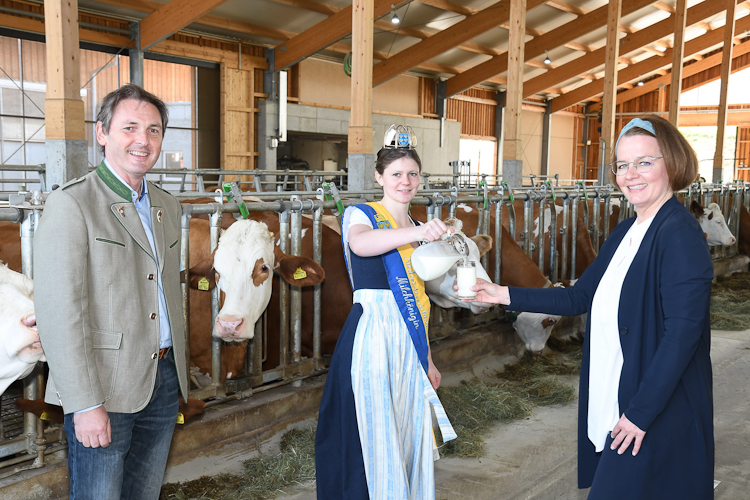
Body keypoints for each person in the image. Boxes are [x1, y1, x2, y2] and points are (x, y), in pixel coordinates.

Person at [466, 116, 714, 499]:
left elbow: (682, 335)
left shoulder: (679, 234)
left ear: (673, 163)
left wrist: (640, 413)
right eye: (622, 164)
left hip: (651, 407)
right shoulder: (627, 231)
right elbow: (579, 296)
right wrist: (502, 294)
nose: (630, 174)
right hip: (617, 394)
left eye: (644, 162)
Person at [34, 84, 189, 500]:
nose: (143, 140)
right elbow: (59, 312)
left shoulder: (166, 207)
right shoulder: (73, 204)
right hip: (102, 386)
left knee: (144, 492)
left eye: (154, 130)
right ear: (102, 133)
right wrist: (83, 404)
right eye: (130, 127)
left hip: (162, 376)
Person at [315, 128, 457, 500]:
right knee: (372, 424)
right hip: (373, 332)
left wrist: (427, 357)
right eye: (396, 174)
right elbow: (361, 245)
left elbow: (419, 296)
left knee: (406, 426)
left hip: (408, 337)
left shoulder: (416, 225)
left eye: (412, 174)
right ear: (379, 177)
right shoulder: (361, 214)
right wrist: (420, 234)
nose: (405, 182)